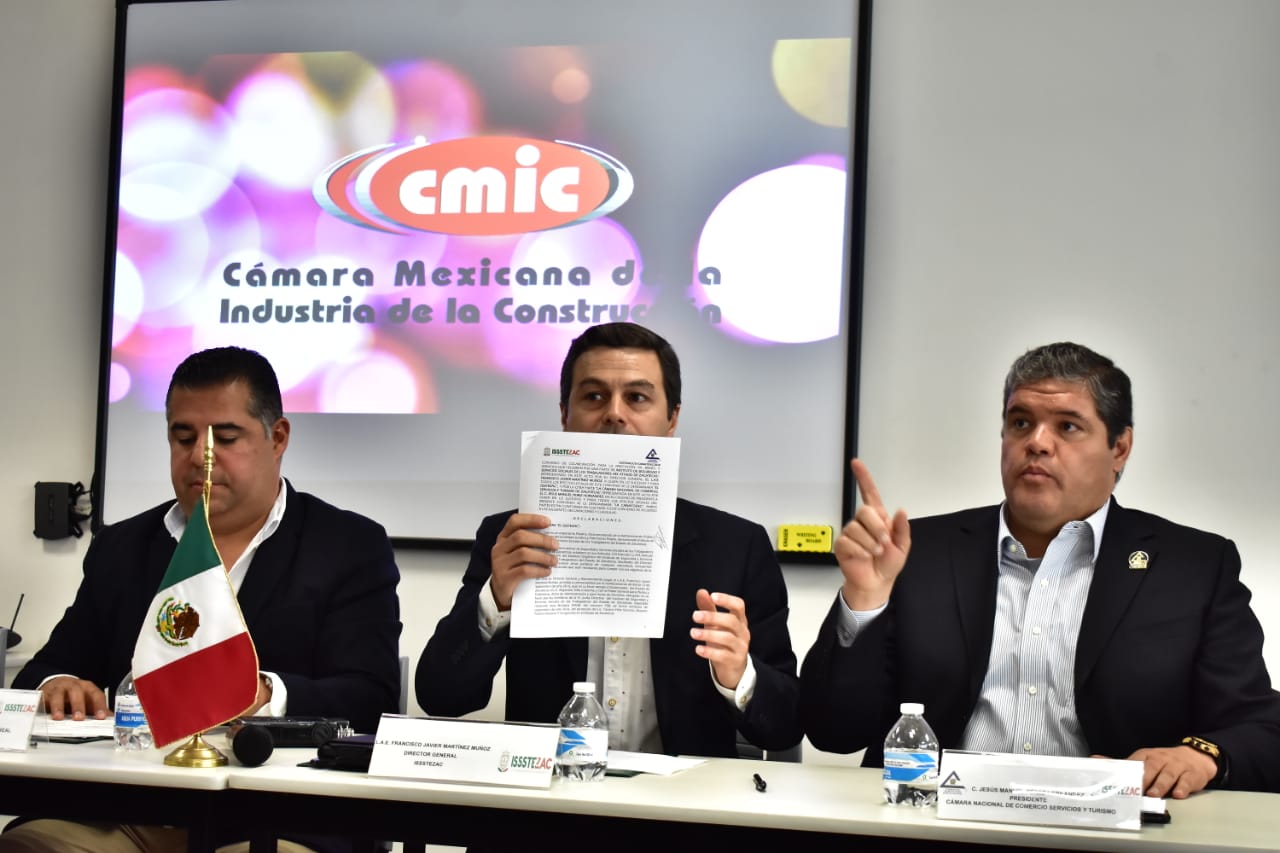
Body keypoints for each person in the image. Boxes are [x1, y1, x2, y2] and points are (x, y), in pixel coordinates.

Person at [801, 341, 1280, 798]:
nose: (1037, 443)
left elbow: (1261, 730)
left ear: (1119, 448)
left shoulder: (1192, 567)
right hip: (937, 825)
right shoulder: (916, 554)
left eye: (1067, 426)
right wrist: (864, 600)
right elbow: (833, 732)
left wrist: (1198, 758)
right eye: (1020, 423)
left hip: (1112, 832)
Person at [2, 346, 402, 853]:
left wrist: (265, 694)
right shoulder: (123, 546)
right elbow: (40, 673)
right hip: (129, 810)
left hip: (276, 816)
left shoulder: (348, 545)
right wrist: (58, 686)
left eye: (225, 438)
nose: (199, 457)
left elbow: (370, 698)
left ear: (277, 437)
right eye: (183, 437)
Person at [417, 322, 801, 757]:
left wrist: (739, 674)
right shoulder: (513, 538)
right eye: (594, 396)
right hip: (553, 791)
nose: (614, 414)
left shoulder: (737, 547)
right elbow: (440, 698)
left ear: (672, 419)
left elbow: (784, 728)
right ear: (565, 415)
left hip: (685, 794)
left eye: (637, 397)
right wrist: (497, 600)